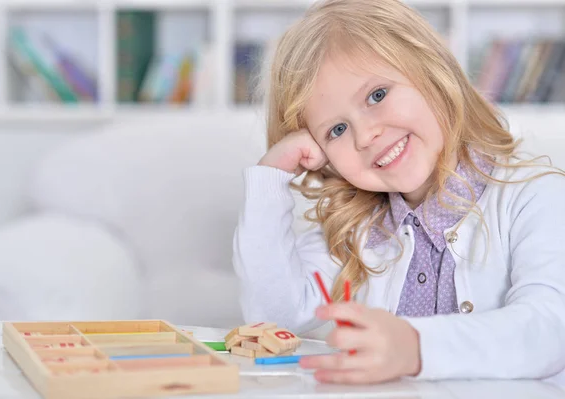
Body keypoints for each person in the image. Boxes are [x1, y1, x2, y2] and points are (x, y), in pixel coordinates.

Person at [232, 0, 565, 385]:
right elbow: (275, 320)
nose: (366, 135)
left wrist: (415, 347)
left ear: (433, 73)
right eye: (336, 130)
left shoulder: (536, 197)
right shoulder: (356, 231)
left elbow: (550, 328)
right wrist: (270, 179)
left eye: (376, 95)